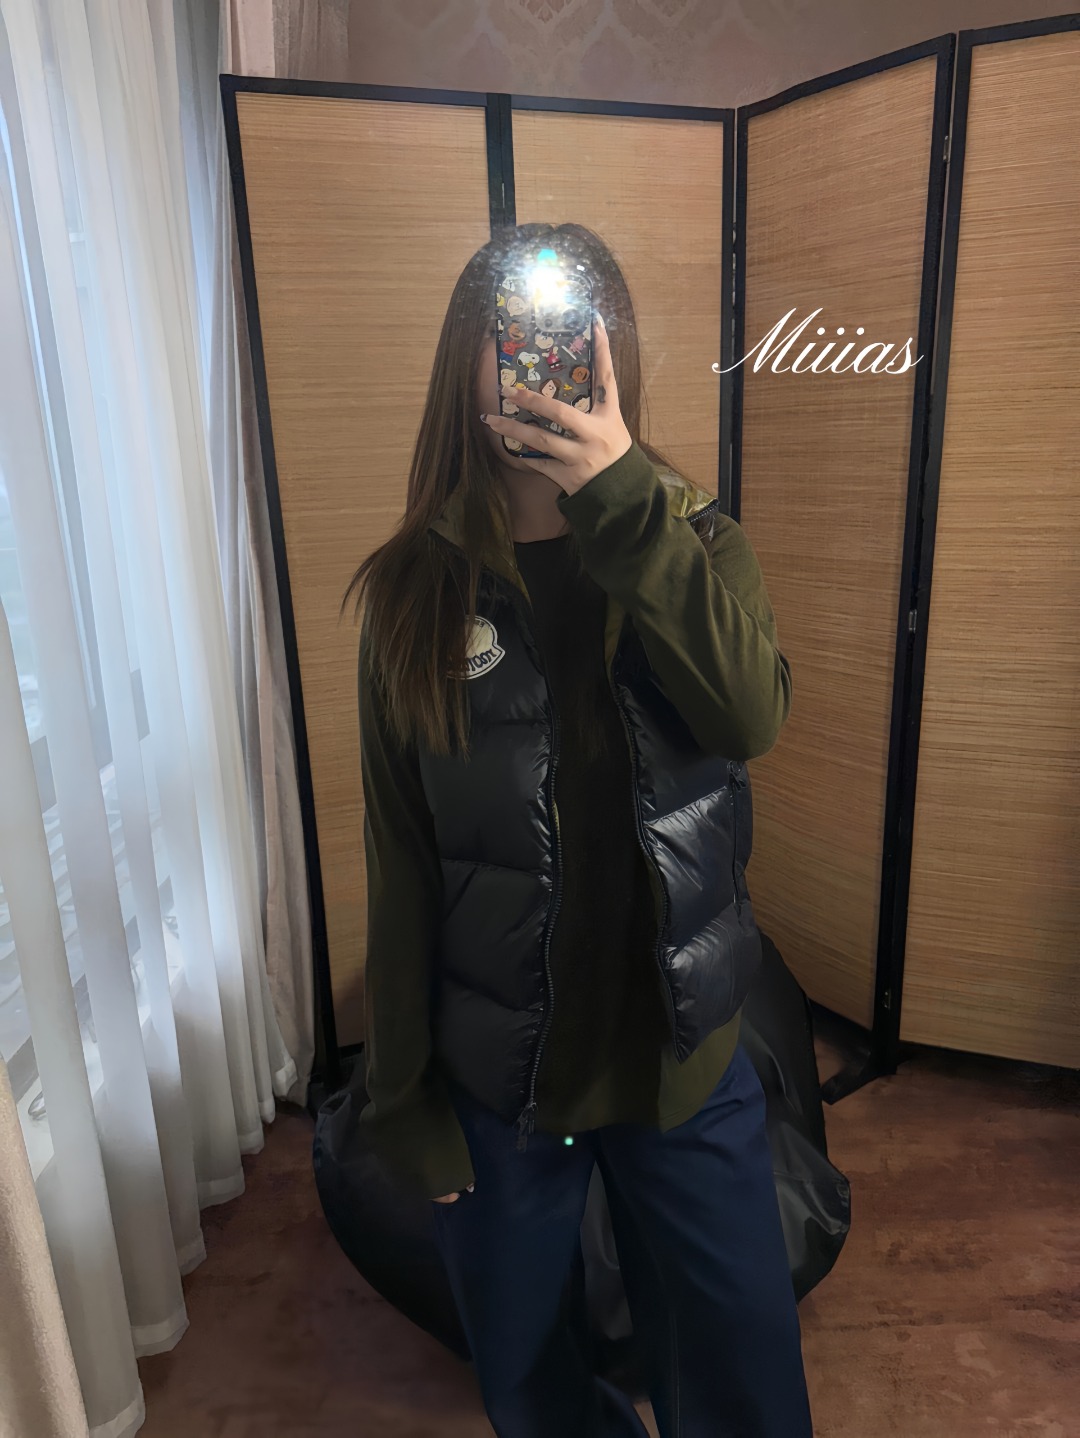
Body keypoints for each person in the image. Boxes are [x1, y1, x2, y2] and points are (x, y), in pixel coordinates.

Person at [343, 222, 813, 1438]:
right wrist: (403, 1098)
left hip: (680, 1064)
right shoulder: (410, 594)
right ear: (471, 355)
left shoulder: (694, 539)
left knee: (746, 1383)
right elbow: (402, 863)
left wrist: (623, 503)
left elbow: (748, 715)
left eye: (567, 325)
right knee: (531, 1386)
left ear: (609, 349)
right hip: (501, 1084)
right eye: (515, 329)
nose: (540, 357)